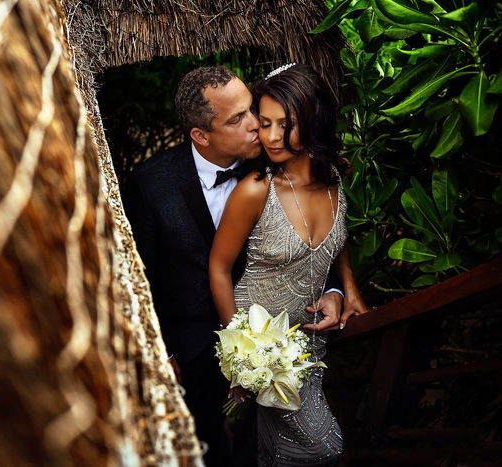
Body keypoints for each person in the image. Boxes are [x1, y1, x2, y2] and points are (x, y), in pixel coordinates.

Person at [125, 66, 358, 466]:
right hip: (194, 345)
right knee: (209, 445)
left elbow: (316, 237)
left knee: (270, 444)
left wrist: (338, 290)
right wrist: (160, 351)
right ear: (201, 135)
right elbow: (138, 276)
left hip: (280, 337)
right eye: (238, 119)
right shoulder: (150, 185)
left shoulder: (283, 164)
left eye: (255, 111)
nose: (257, 127)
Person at [209, 63, 368, 466]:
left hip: (310, 342)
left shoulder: (335, 176)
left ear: (313, 121)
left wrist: (346, 289)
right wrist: (241, 355)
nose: (273, 137)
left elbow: (338, 238)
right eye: (265, 124)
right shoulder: (255, 190)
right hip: (262, 348)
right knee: (325, 445)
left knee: (277, 451)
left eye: (287, 124)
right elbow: (219, 268)